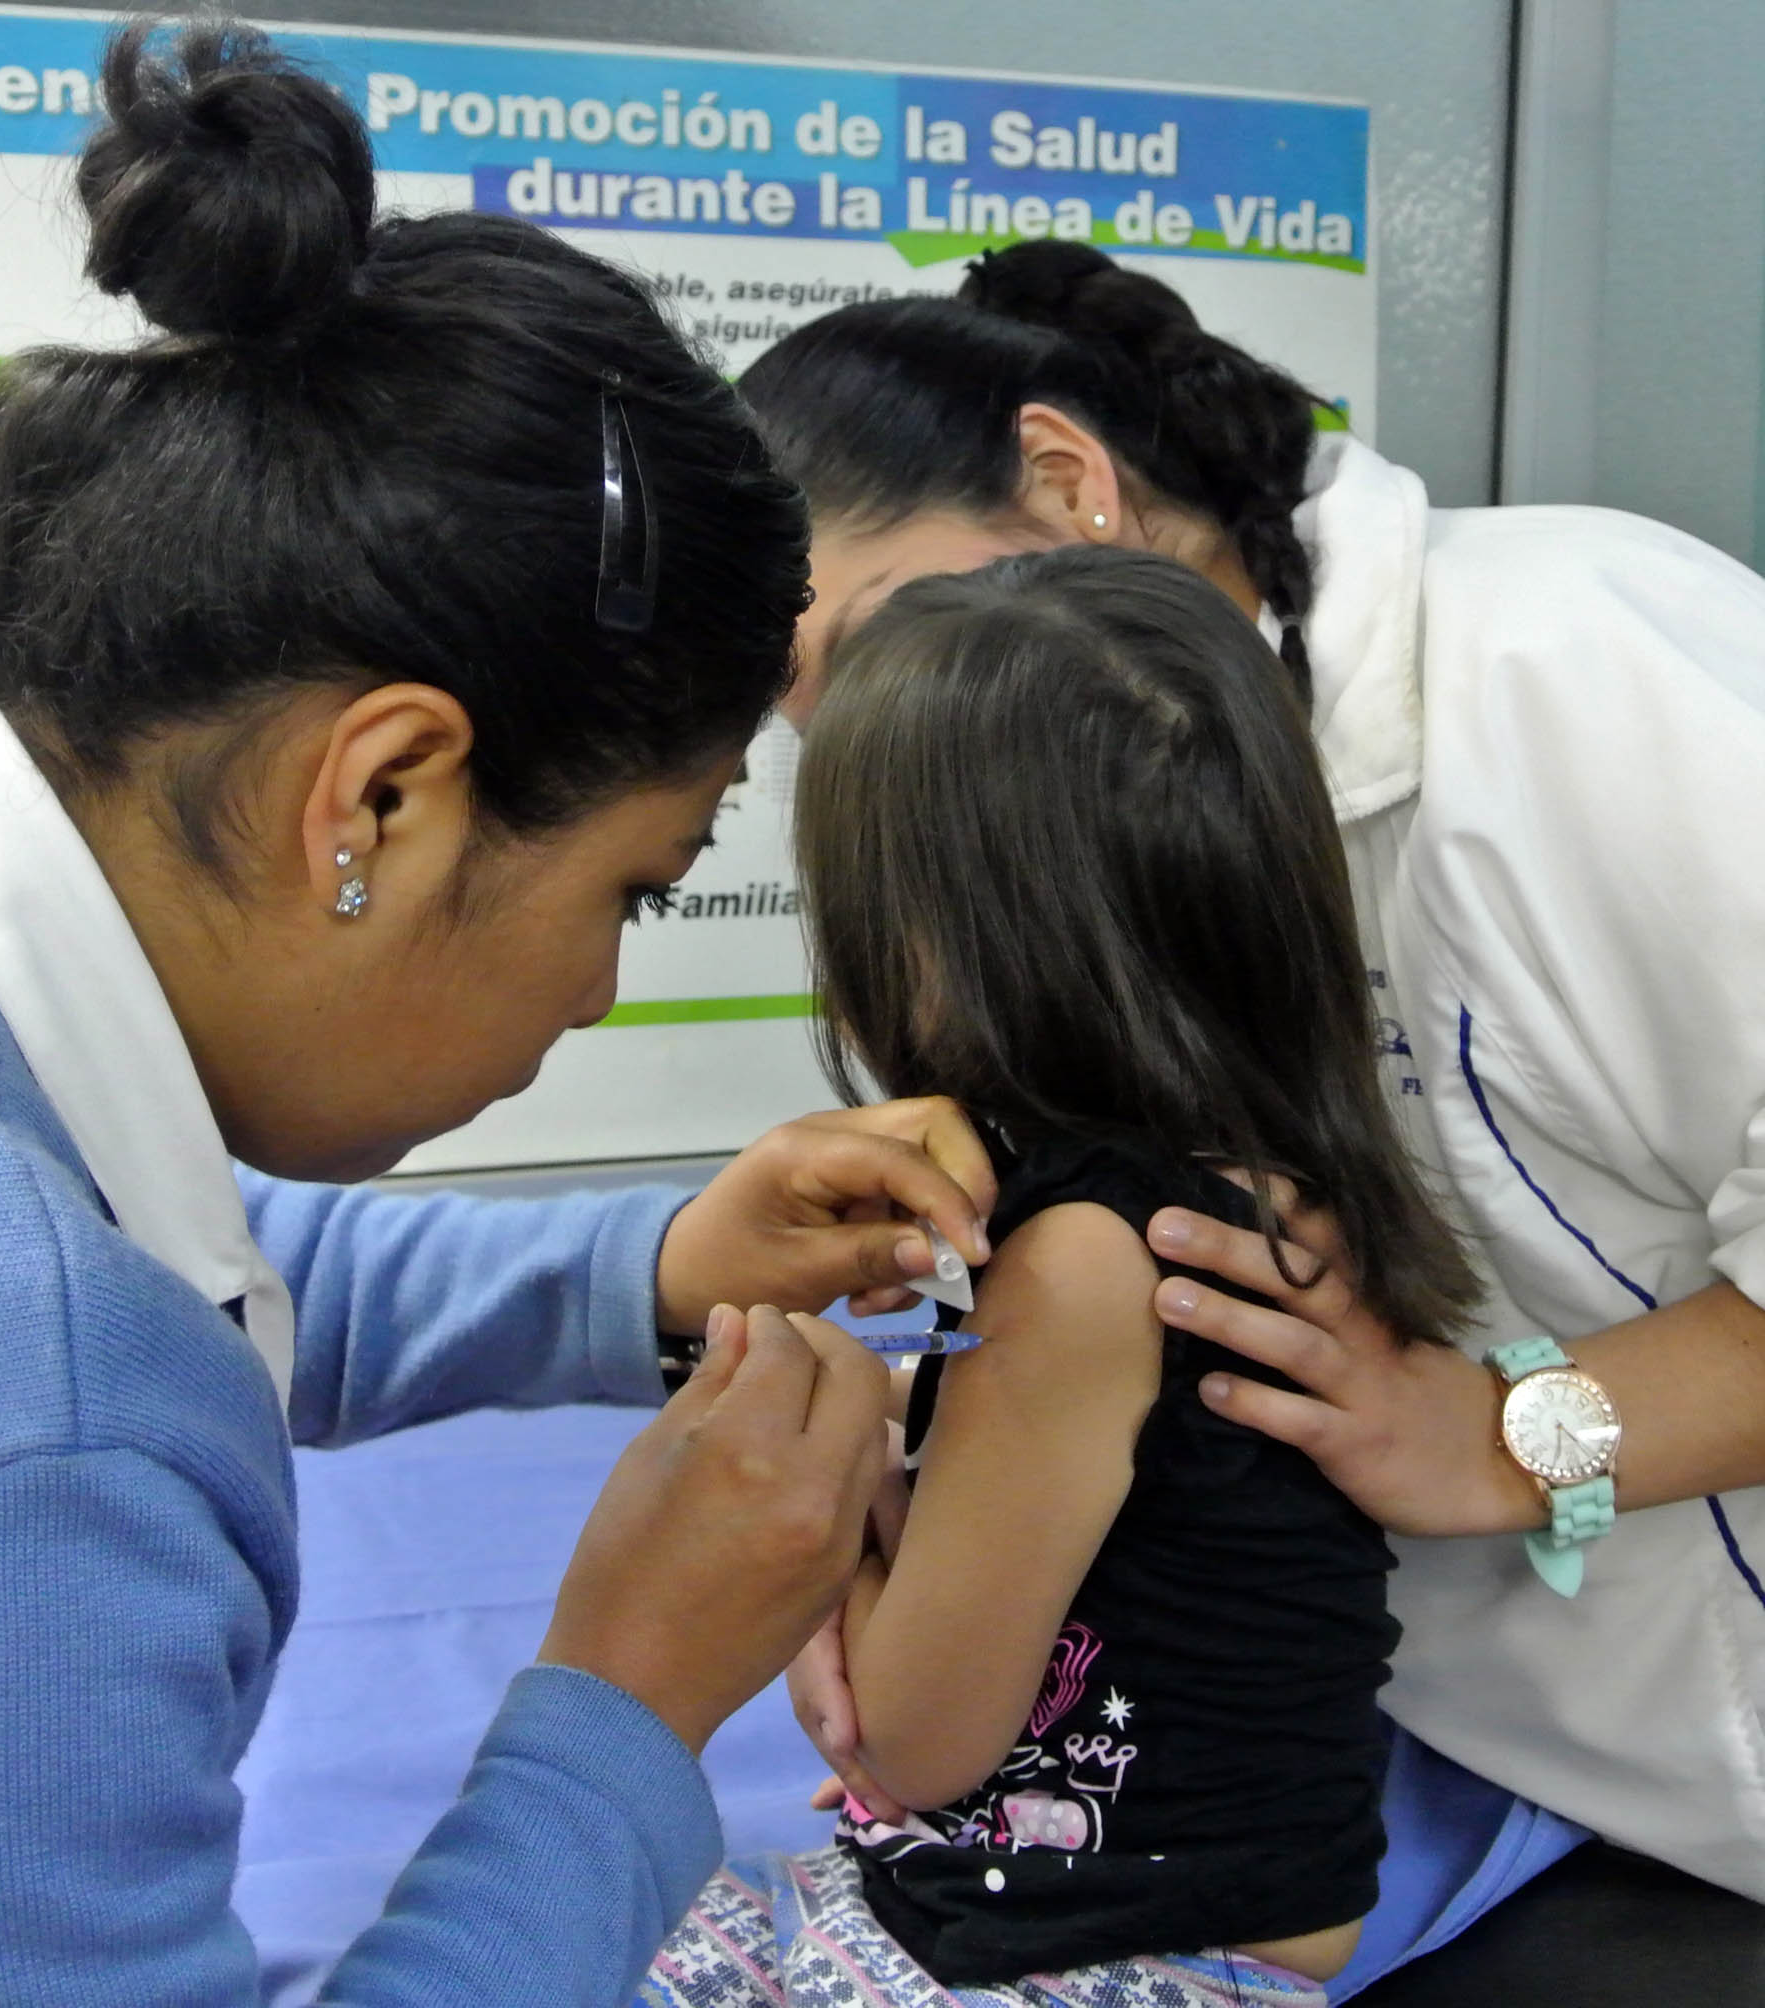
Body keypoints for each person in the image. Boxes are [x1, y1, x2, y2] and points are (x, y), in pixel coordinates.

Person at [0, 26, 991, 2008]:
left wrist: (651, 1268)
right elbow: (22, 1356)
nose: (604, 986)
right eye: (640, 886)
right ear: (375, 796)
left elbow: (165, 1261)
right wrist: (627, 1695)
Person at [740, 242, 1765, 2008]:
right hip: (1477, 1795)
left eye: (864, 642)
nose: (856, 740)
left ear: (1069, 484)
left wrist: (1519, 1432)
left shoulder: (1566, 664)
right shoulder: (1142, 789)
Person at [646, 548, 1485, 2008]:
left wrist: (832, 1483)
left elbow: (906, 1744)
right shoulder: (1246, 1185)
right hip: (1040, 1916)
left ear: (931, 931)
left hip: (1111, 1968)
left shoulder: (1083, 1263)